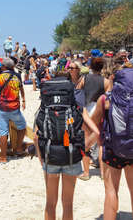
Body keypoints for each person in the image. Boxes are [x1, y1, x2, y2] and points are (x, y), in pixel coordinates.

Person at [34, 70, 99, 220]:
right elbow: (96, 133)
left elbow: (36, 137)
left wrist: (41, 158)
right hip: (72, 156)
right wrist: (82, 150)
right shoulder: (77, 108)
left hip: (50, 156)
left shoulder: (44, 107)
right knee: (68, 203)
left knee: (50, 202)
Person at [89, 65, 133, 220]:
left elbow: (92, 123)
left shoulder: (106, 100)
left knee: (111, 190)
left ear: (114, 79)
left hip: (113, 148)